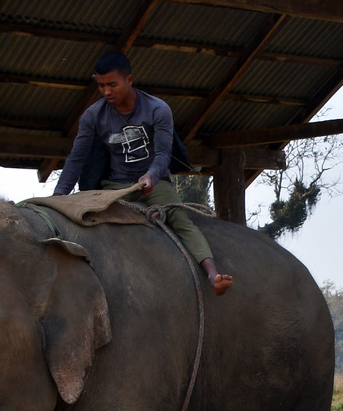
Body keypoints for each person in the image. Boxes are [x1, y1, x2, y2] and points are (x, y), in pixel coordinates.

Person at [54, 51, 233, 294]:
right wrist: (58, 197)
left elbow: (163, 154)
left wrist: (151, 176)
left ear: (129, 80)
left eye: (112, 85)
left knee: (180, 221)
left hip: (153, 183)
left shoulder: (158, 109)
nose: (107, 92)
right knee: (87, 220)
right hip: (114, 187)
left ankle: (213, 275)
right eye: (101, 85)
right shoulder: (93, 116)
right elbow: (76, 159)